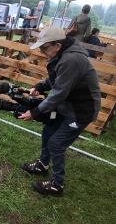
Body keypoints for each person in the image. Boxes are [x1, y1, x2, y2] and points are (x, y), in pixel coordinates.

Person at [18, 25, 101, 197]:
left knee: (56, 144)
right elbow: (56, 78)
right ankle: (42, 165)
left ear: (58, 45)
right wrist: (40, 85)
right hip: (67, 105)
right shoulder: (61, 54)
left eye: (44, 47)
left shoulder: (72, 60)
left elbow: (58, 93)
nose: (42, 51)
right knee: (49, 130)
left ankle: (57, 185)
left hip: (80, 111)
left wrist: (34, 113)